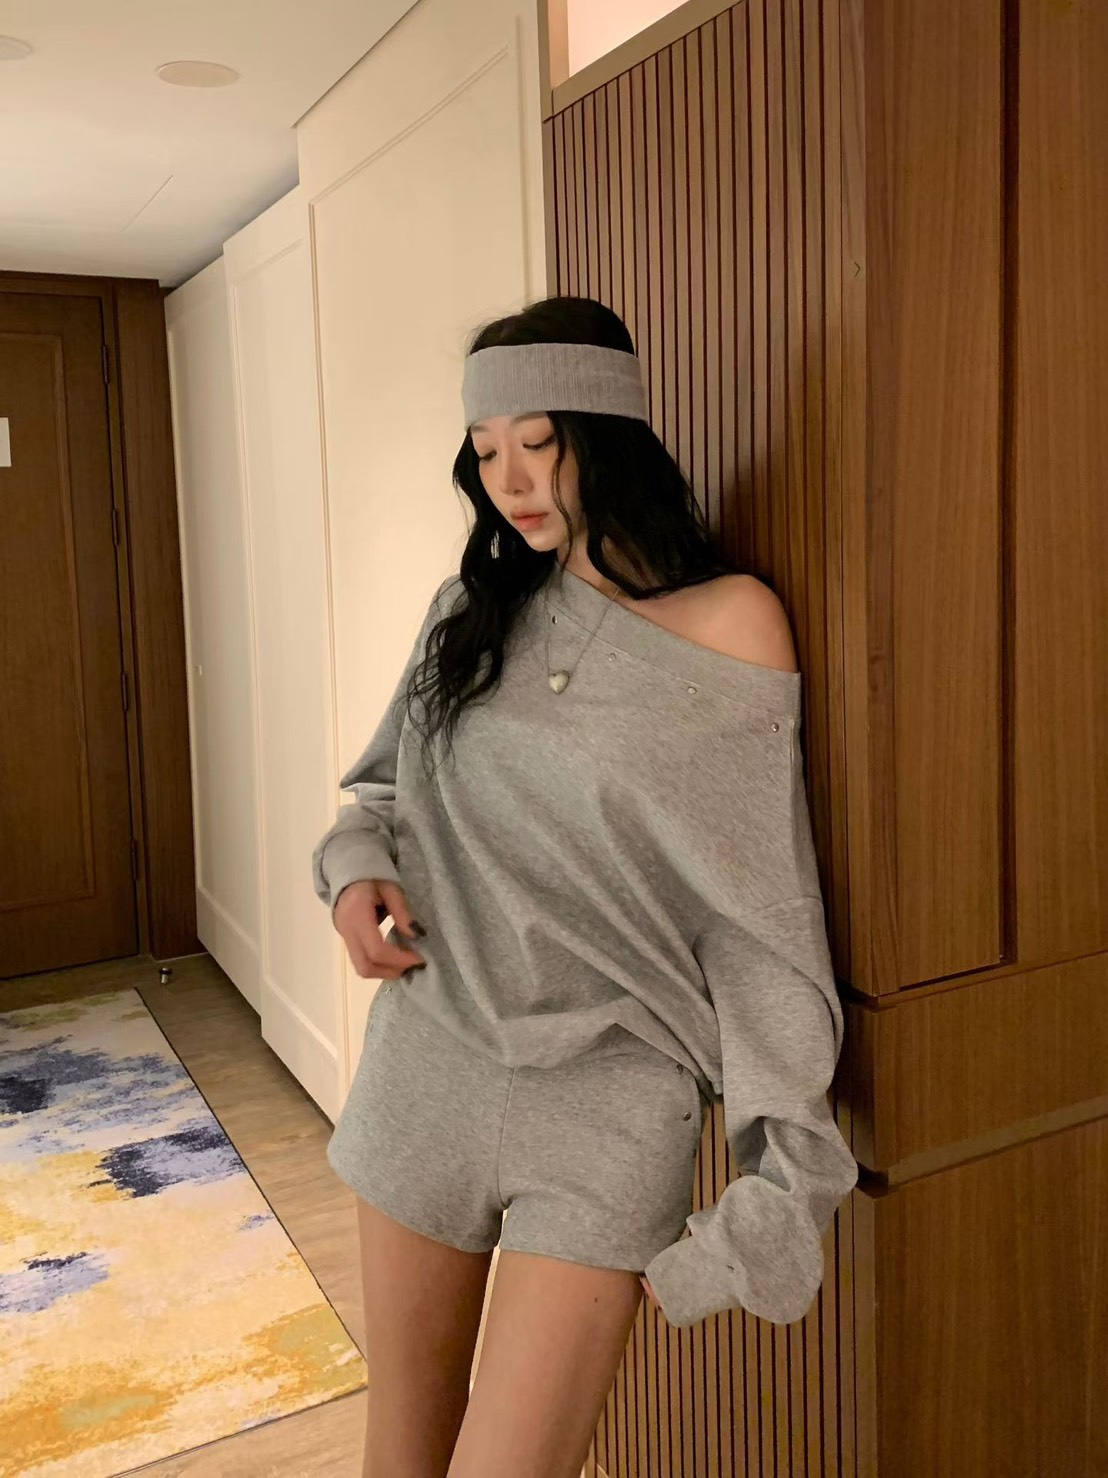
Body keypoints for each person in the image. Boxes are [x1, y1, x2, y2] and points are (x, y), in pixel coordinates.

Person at [310, 295, 858, 1478]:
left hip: (614, 1092)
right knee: (399, 1448)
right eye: (484, 450)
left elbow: (760, 920)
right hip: (431, 1048)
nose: (508, 479)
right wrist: (356, 878)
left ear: (604, 432)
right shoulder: (471, 613)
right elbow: (383, 794)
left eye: (537, 440)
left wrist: (781, 1184)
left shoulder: (732, 626)